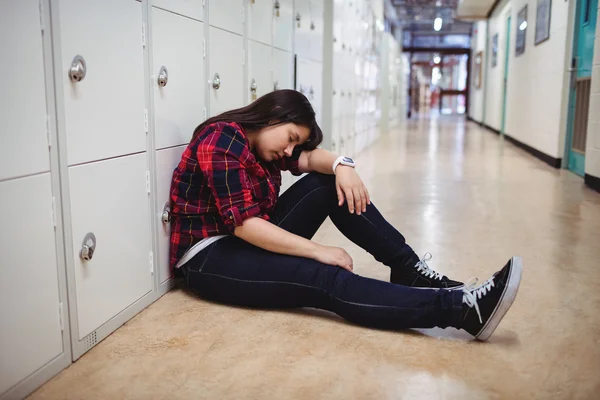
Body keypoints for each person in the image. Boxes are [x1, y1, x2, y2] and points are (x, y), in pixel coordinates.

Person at [169, 89, 522, 341]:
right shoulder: (222, 140)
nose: (290, 150)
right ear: (272, 116)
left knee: (326, 185)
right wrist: (319, 250)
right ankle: (460, 310)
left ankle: (408, 268)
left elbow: (309, 159)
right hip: (210, 257)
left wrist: (342, 164)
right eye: (290, 137)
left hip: (243, 238)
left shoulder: (266, 147)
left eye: (294, 144)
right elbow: (245, 226)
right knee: (325, 278)